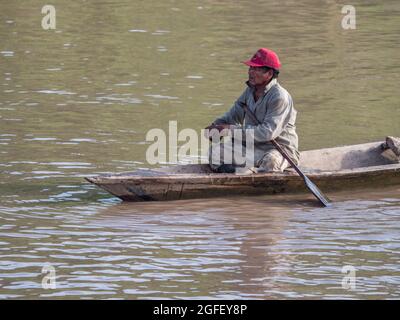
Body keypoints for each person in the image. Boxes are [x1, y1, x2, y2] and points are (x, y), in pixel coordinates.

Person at [205, 48, 300, 173]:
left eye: (256, 69)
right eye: (250, 68)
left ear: (269, 74)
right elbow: (232, 115)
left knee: (270, 162)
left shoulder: (279, 97)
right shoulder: (250, 91)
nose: (251, 72)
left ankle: (249, 173)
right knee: (215, 152)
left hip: (278, 150)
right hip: (252, 148)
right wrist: (215, 127)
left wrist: (228, 130)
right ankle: (241, 174)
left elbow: (266, 133)